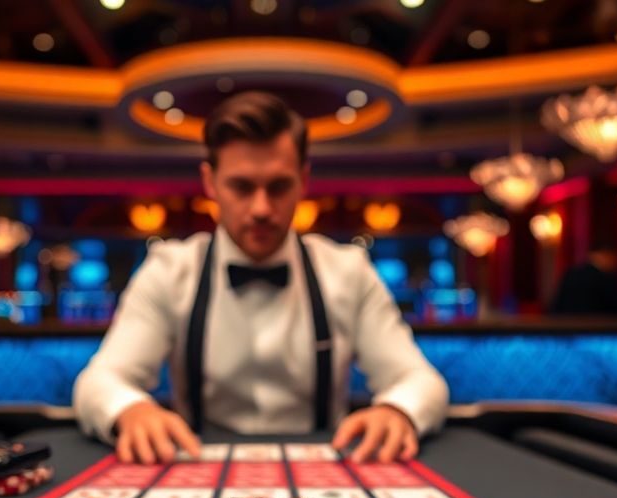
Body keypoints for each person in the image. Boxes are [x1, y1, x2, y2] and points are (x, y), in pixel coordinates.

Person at [73, 91, 448, 465]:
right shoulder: (168, 271)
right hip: (199, 470)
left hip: (321, 477)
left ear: (303, 181)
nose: (261, 209)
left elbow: (421, 381)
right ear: (210, 182)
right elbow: (99, 381)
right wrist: (131, 409)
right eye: (241, 187)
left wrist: (398, 410)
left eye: (279, 187)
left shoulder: (349, 270)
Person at [549, 243, 617, 316]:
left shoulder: (571, 273)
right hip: (599, 326)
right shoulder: (607, 278)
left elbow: (557, 304)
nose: (615, 262)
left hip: (566, 325)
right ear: (606, 255)